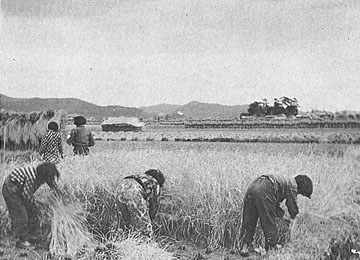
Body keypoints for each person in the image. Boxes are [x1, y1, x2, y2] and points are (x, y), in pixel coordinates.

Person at [239, 174, 313, 257]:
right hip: (265, 189)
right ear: (301, 188)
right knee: (269, 222)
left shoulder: (284, 181)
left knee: (249, 219)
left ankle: (245, 247)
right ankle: (271, 249)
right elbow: (291, 205)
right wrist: (294, 217)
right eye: (300, 194)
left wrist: (282, 216)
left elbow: (272, 204)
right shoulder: (293, 185)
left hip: (253, 186)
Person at [2, 162, 63, 249]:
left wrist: (60, 194)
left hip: (20, 189)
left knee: (31, 211)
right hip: (11, 189)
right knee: (21, 214)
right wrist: (36, 207)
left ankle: (31, 236)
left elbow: (52, 183)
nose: (49, 180)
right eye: (48, 178)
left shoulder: (42, 173)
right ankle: (22, 241)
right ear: (43, 176)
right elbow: (26, 196)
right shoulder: (32, 177)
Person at [115, 169, 165, 238]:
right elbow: (154, 204)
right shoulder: (155, 182)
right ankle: (147, 244)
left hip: (120, 188)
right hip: (134, 191)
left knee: (124, 220)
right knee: (144, 225)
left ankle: (119, 240)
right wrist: (150, 220)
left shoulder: (140, 177)